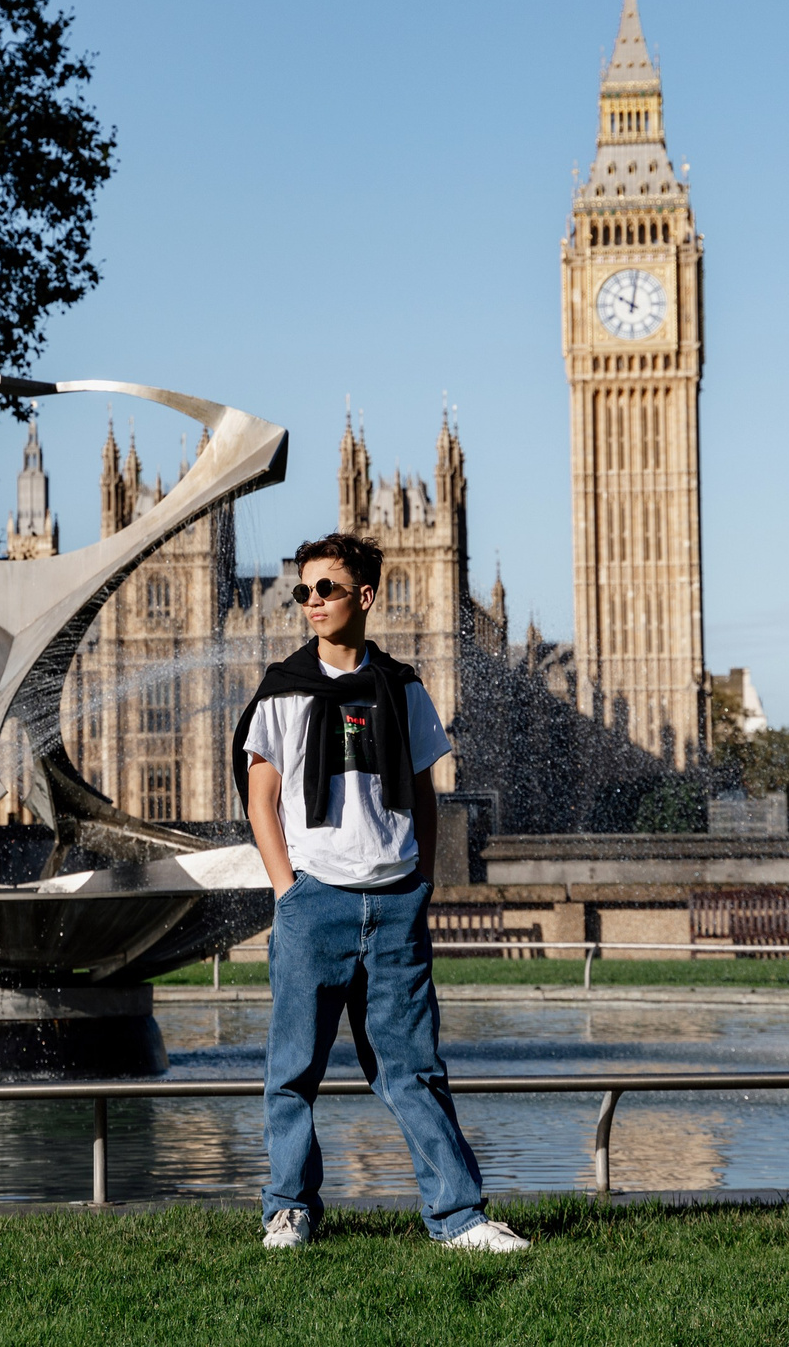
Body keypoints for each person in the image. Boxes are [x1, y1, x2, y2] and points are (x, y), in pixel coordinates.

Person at [232, 531, 528, 1255]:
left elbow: (427, 795)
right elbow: (260, 797)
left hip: (392, 902)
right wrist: (287, 891)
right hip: (314, 903)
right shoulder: (283, 687)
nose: (310, 602)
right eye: (303, 590)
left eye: (325, 588)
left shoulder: (403, 685)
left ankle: (459, 1216)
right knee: (292, 1068)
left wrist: (419, 880)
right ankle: (289, 1207)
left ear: (364, 596)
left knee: (414, 1068)